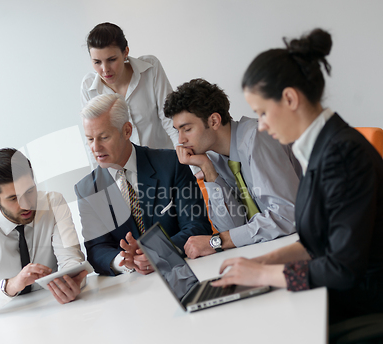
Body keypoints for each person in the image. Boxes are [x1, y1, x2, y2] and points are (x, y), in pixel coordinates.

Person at [213, 28, 383, 329]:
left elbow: (342, 268)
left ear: (290, 98)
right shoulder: (319, 149)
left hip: (363, 300)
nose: (261, 126)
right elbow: (314, 241)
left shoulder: (341, 155)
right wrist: (261, 263)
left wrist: (261, 276)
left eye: (263, 112)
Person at [74, 94, 212, 276]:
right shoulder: (86, 190)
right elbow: (97, 249)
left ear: (126, 131)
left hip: (186, 271)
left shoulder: (171, 164)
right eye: (90, 139)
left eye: (104, 137)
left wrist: (159, 252)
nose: (96, 148)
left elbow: (197, 226)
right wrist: (125, 261)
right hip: (133, 285)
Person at [163, 79, 301, 258]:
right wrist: (208, 170)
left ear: (214, 121)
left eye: (187, 129)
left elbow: (287, 215)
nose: (180, 140)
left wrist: (217, 242)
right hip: (274, 247)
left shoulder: (258, 137)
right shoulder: (213, 158)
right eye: (177, 131)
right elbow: (233, 228)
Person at [0, 148, 87, 320]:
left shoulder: (54, 203)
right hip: (5, 319)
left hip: (55, 310)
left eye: (30, 191)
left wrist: (73, 283)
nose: (26, 204)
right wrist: (12, 284)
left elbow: (71, 260)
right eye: (13, 198)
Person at [81, 22, 178, 168]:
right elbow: (92, 141)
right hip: (128, 174)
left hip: (167, 165)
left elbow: (171, 120)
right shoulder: (89, 87)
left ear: (125, 52)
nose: (105, 69)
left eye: (112, 60)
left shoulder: (150, 68)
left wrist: (191, 166)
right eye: (97, 62)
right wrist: (101, 184)